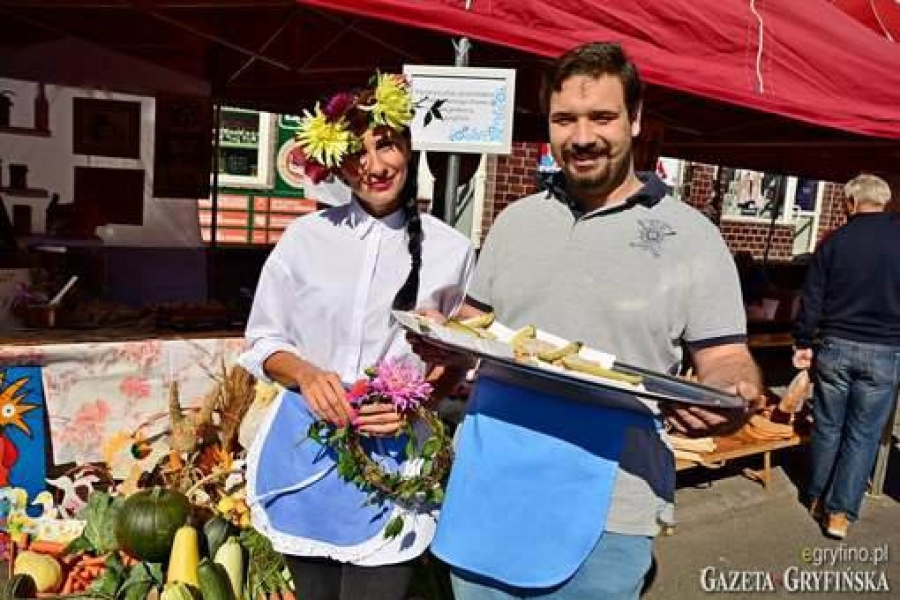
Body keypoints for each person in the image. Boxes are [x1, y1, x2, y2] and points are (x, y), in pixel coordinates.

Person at [414, 42, 761, 600]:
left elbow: (725, 358)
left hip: (609, 502)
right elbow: (475, 328)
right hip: (490, 484)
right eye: (564, 119)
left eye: (601, 117)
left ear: (635, 119)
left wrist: (728, 394)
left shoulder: (693, 236)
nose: (581, 137)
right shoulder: (515, 220)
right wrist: (441, 337)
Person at [239, 73, 475, 600]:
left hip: (395, 457)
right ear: (337, 163)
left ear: (409, 147)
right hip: (305, 449)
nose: (374, 166)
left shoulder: (451, 250)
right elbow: (261, 341)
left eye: (386, 145)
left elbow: (459, 358)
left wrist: (419, 405)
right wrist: (305, 373)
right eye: (356, 153)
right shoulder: (305, 238)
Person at [793, 173, 900, 540]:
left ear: (852, 203)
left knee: (828, 426)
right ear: (884, 201)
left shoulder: (833, 242)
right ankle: (839, 513)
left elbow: (812, 298)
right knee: (864, 434)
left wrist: (803, 341)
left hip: (834, 346)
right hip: (885, 349)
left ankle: (817, 497)